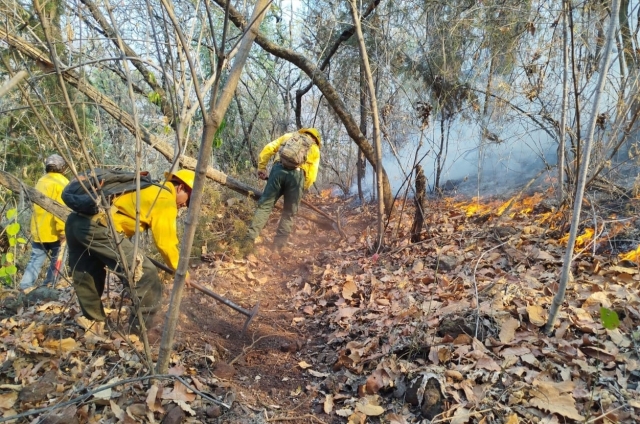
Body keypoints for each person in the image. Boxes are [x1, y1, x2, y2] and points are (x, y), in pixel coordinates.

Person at [65, 169, 194, 334]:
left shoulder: (148, 187)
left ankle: (94, 327)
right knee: (146, 274)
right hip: (99, 229)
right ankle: (137, 336)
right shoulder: (164, 199)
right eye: (188, 200)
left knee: (87, 275)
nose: (185, 205)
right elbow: (165, 243)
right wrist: (181, 271)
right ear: (180, 188)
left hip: (75, 222)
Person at [242, 128, 321, 254]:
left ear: (303, 132)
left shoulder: (289, 136)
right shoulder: (315, 149)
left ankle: (248, 240)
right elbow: (312, 175)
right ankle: (279, 246)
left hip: (277, 171)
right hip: (297, 177)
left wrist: (262, 167)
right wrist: (302, 187)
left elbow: (268, 148)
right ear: (316, 139)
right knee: (289, 212)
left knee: (265, 207)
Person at [19, 154, 69, 290]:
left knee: (35, 260)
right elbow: (60, 209)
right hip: (55, 232)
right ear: (62, 168)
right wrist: (63, 231)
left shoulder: (41, 181)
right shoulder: (62, 182)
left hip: (39, 230)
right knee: (57, 260)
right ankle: (49, 286)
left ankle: (24, 286)